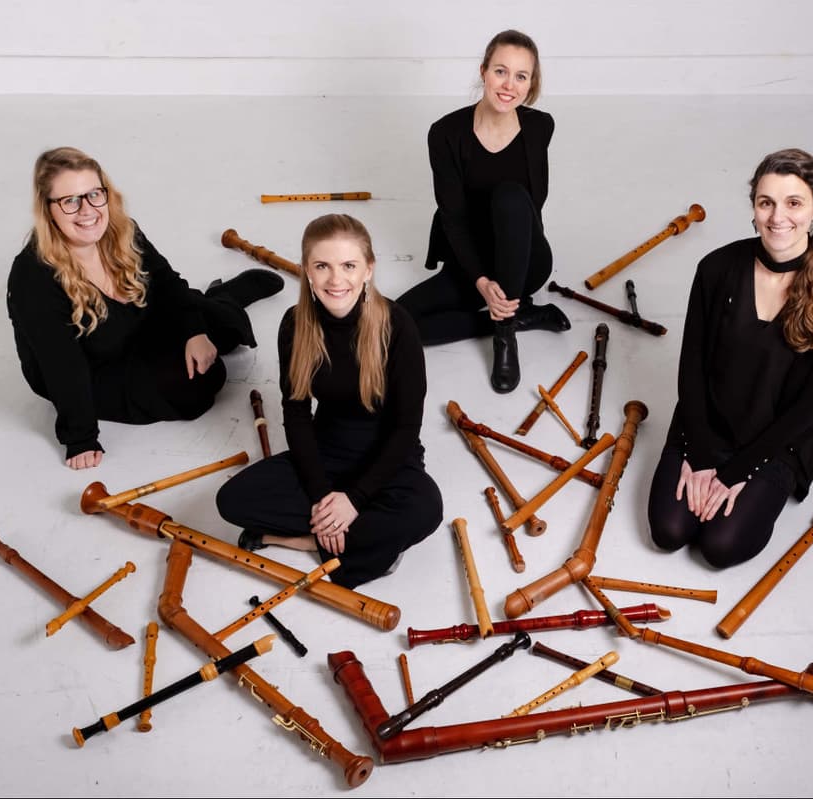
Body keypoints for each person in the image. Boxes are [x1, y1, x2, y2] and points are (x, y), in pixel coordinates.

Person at [647, 148, 813, 568]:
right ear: (754, 206)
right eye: (766, 202)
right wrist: (703, 456)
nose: (777, 217)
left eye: (793, 203)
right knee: (669, 532)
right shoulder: (716, 268)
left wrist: (736, 472)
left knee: (721, 547)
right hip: (704, 426)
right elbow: (690, 372)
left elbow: (810, 405)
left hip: (776, 443)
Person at [7, 146, 285, 469]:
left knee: (219, 327)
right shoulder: (32, 277)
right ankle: (214, 303)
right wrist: (79, 437)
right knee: (201, 382)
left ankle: (226, 298)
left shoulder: (121, 230)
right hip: (94, 366)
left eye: (94, 194)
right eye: (70, 201)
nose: (87, 210)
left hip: (132, 324)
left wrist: (195, 332)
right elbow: (62, 365)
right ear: (48, 209)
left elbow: (166, 281)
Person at [216, 214, 443, 589]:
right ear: (307, 270)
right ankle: (361, 546)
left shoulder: (398, 325)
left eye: (349, 266)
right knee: (232, 500)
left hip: (388, 458)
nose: (336, 280)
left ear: (368, 269)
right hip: (326, 454)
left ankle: (299, 540)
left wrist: (353, 499)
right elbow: (297, 413)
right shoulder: (295, 323)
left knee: (426, 509)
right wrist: (323, 495)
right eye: (322, 266)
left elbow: (405, 427)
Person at [396, 29, 571, 394]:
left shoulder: (541, 127)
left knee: (509, 198)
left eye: (521, 76)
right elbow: (453, 218)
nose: (509, 85)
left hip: (525, 261)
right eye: (500, 71)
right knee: (399, 323)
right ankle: (517, 317)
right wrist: (481, 281)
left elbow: (532, 209)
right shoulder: (445, 133)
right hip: (471, 263)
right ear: (483, 72)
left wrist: (503, 281)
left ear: (531, 83)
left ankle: (504, 337)